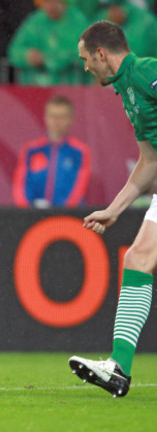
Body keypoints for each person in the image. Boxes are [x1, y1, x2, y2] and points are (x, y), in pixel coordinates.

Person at [68, 20, 157, 398]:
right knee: (138, 259)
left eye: (86, 58)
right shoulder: (126, 89)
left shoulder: (146, 72)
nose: (85, 66)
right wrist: (115, 209)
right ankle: (118, 369)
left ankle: (118, 368)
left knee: (139, 258)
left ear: (102, 54)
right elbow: (150, 160)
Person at [13, 95, 91, 208]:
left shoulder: (80, 151)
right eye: (53, 116)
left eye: (62, 117)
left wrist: (62, 211)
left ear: (70, 119)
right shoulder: (30, 150)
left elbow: (79, 188)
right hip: (32, 215)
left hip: (68, 216)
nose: (56, 121)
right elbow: (20, 185)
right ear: (45, 117)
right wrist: (27, 208)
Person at [8, 0, 89, 85]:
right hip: (35, 89)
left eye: (55, 1)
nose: (51, 5)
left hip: (72, 88)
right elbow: (14, 51)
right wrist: (27, 55)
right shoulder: (35, 22)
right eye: (47, 2)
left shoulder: (78, 21)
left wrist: (49, 58)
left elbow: (86, 53)